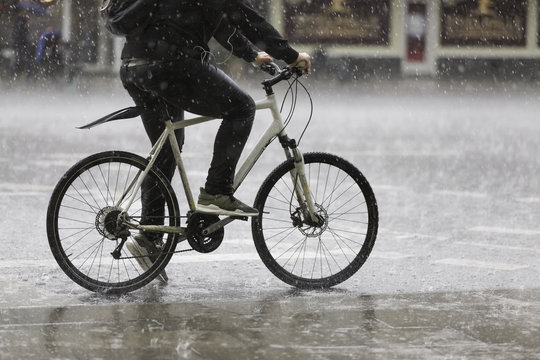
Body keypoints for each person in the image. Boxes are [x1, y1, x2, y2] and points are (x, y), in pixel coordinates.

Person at [119, 0, 311, 279]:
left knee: (167, 146)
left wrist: (251, 55)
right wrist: (291, 56)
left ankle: (149, 238)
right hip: (172, 64)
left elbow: (217, 21)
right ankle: (216, 192)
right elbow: (245, 17)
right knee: (242, 108)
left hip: (135, 67)